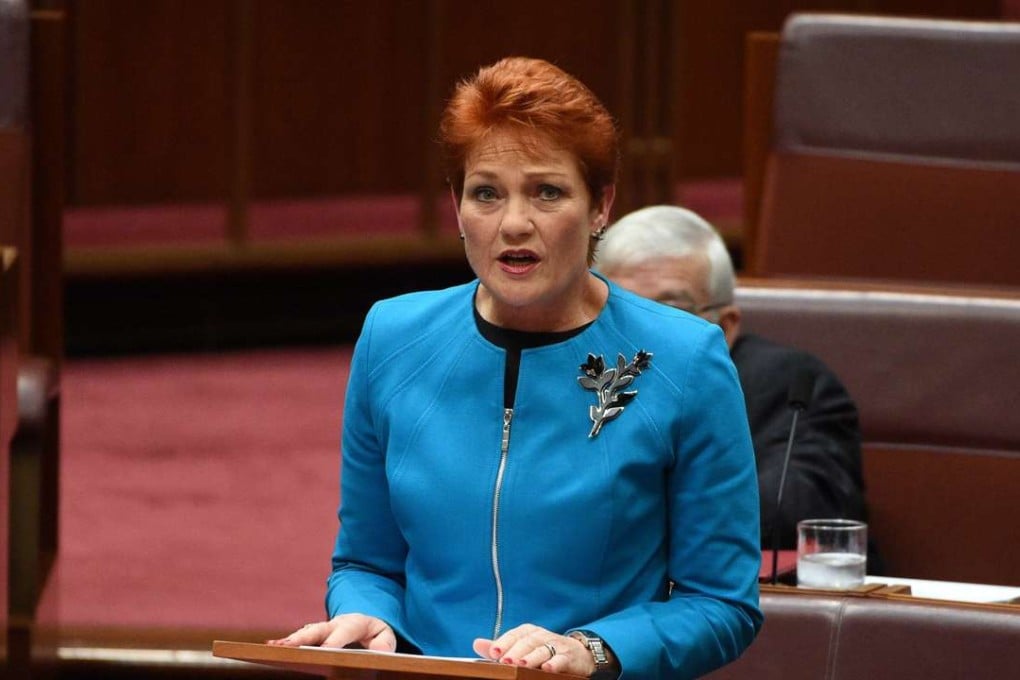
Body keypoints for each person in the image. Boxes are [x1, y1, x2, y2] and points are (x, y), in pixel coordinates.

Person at [269, 58, 762, 679]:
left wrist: (594, 648)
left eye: (547, 192)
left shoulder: (685, 359)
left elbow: (721, 602)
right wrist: (369, 614)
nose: (514, 224)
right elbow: (366, 563)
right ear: (457, 208)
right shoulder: (392, 337)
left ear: (601, 206)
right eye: (486, 193)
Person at [596, 205, 870, 554]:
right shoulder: (584, 381)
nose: (644, 334)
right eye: (624, 311)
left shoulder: (789, 385)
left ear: (725, 327)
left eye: (671, 312)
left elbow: (790, 511)